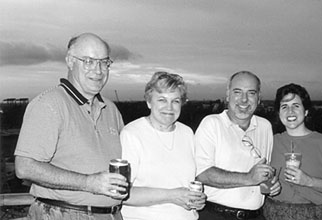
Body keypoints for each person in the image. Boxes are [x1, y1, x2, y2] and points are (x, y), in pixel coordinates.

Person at [14, 33, 128, 220]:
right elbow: (25, 167)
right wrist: (89, 183)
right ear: (69, 61)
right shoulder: (50, 104)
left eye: (104, 62)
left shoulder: (111, 109)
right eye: (88, 61)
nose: (98, 70)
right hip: (62, 214)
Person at [120, 72, 206, 220]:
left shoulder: (187, 133)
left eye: (176, 101)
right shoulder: (132, 133)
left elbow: (186, 183)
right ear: (148, 102)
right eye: (162, 100)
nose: (169, 107)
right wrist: (172, 196)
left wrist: (197, 200)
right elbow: (123, 193)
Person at [195, 71, 281, 220]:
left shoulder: (265, 126)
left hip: (257, 216)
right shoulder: (211, 124)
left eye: (251, 93)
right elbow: (202, 173)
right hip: (216, 215)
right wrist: (248, 178)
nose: (244, 99)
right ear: (228, 95)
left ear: (259, 98)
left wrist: (273, 183)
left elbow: (262, 171)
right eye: (237, 92)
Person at [263, 83, 322, 220]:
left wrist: (308, 181)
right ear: (279, 112)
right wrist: (267, 187)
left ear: (306, 111)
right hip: (275, 212)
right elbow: (261, 178)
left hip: (316, 214)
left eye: (296, 106)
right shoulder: (270, 142)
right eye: (284, 106)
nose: (290, 111)